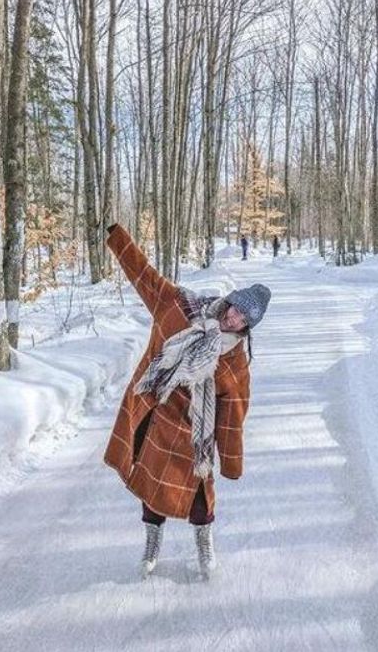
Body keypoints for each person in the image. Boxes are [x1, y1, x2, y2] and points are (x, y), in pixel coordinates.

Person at [103, 223, 272, 580]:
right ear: (230, 300)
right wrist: (115, 236)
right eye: (235, 309)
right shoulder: (180, 307)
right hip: (159, 415)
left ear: (248, 327)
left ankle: (204, 543)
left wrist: (231, 461)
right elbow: (143, 274)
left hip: (195, 431)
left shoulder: (236, 359)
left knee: (199, 497)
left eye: (243, 320)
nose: (233, 319)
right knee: (151, 488)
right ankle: (151, 543)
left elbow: (233, 411)